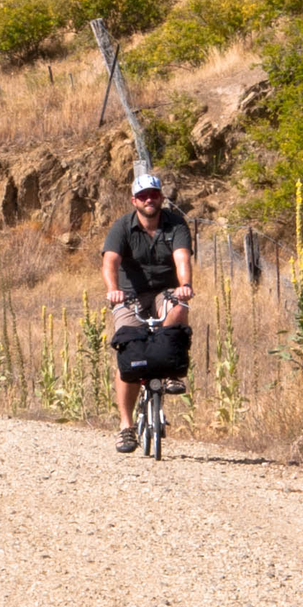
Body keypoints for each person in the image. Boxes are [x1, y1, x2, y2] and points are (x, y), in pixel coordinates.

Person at [102, 170, 193, 451]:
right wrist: (113, 290)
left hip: (163, 290)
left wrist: (185, 284)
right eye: (143, 196)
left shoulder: (175, 224)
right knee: (129, 350)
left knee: (178, 308)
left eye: (153, 194)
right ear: (134, 201)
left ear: (161, 197)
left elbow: (182, 259)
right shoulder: (122, 227)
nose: (149, 200)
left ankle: (171, 374)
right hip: (129, 294)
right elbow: (110, 262)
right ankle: (126, 426)